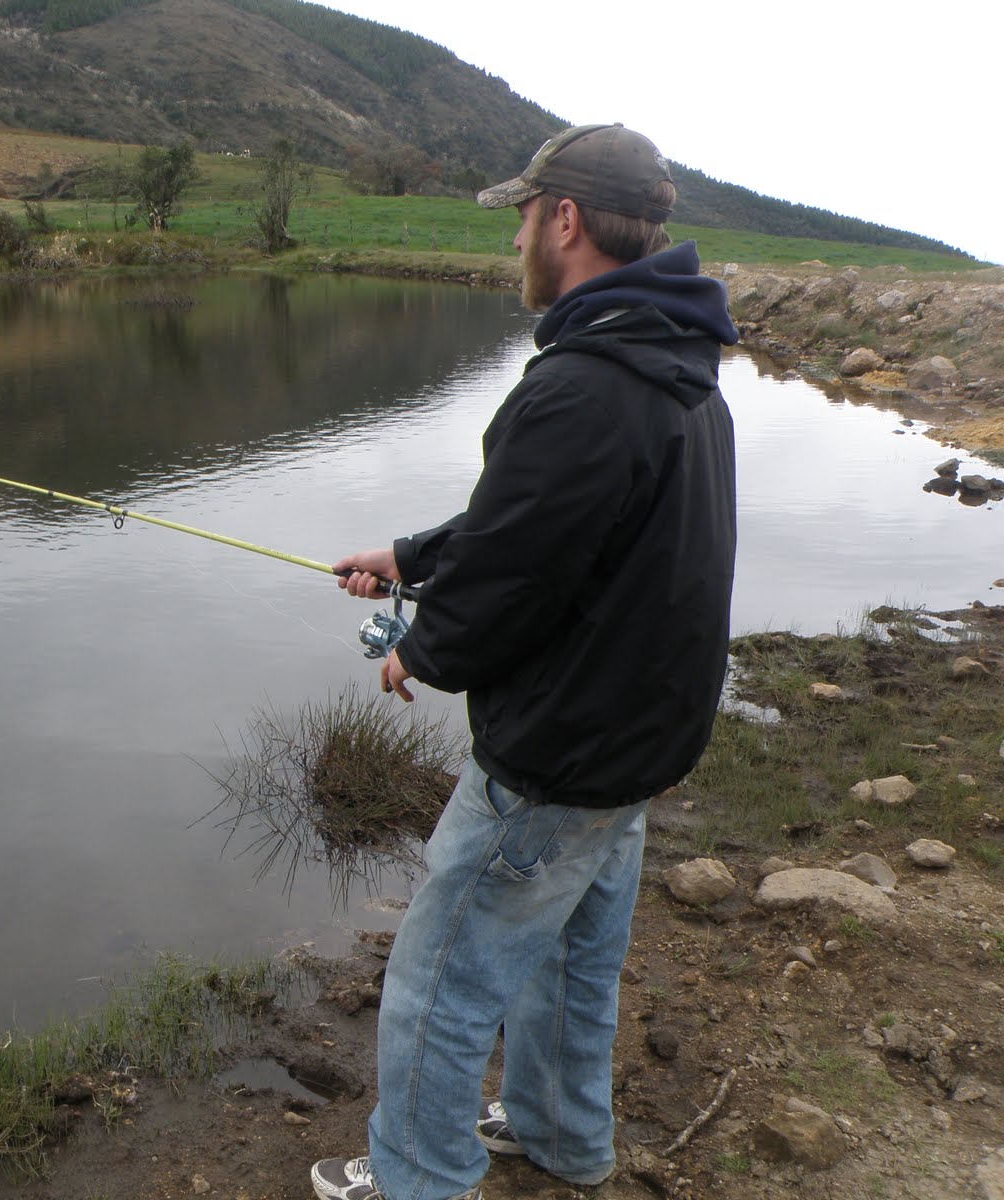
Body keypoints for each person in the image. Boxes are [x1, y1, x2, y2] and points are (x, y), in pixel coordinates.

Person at [310, 123, 740, 1200]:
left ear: (564, 220)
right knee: (567, 963)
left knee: (435, 985)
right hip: (635, 747)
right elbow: (540, 524)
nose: (514, 243)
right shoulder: (677, 364)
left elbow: (513, 566)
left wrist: (425, 645)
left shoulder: (582, 384)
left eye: (520, 217)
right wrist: (410, 558)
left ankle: (416, 1178)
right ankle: (558, 1135)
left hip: (556, 756)